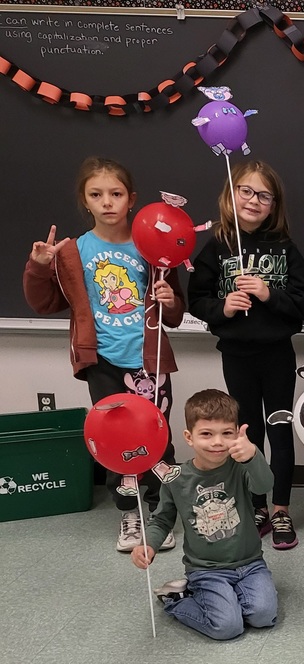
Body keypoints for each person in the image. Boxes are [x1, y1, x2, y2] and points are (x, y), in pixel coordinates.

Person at [23, 157, 183, 553]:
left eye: (115, 194)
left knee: (156, 436)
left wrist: (169, 300)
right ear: (85, 201)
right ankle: (130, 515)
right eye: (97, 195)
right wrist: (39, 266)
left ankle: (162, 512)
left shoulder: (152, 247)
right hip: (103, 361)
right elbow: (44, 304)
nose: (107, 202)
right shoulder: (72, 252)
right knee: (115, 439)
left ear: (132, 200)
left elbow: (176, 312)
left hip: (149, 359)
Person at [187, 160, 304, 550]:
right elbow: (197, 299)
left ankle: (281, 509)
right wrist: (222, 308)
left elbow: (302, 303)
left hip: (277, 354)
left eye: (264, 195)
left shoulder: (285, 248)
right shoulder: (218, 246)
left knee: (279, 431)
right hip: (236, 355)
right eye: (247, 191)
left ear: (274, 204)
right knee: (246, 431)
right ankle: (256, 505)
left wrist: (266, 293)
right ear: (232, 194)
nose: (254, 200)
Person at [131, 389, 278, 641]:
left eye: (226, 433)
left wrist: (253, 455)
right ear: (189, 437)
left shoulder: (241, 466)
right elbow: (162, 518)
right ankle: (176, 598)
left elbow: (264, 486)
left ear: (236, 433)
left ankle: (229, 600)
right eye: (207, 434)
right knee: (227, 628)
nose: (217, 442)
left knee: (263, 616)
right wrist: (148, 544)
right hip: (206, 569)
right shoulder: (175, 477)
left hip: (250, 564)